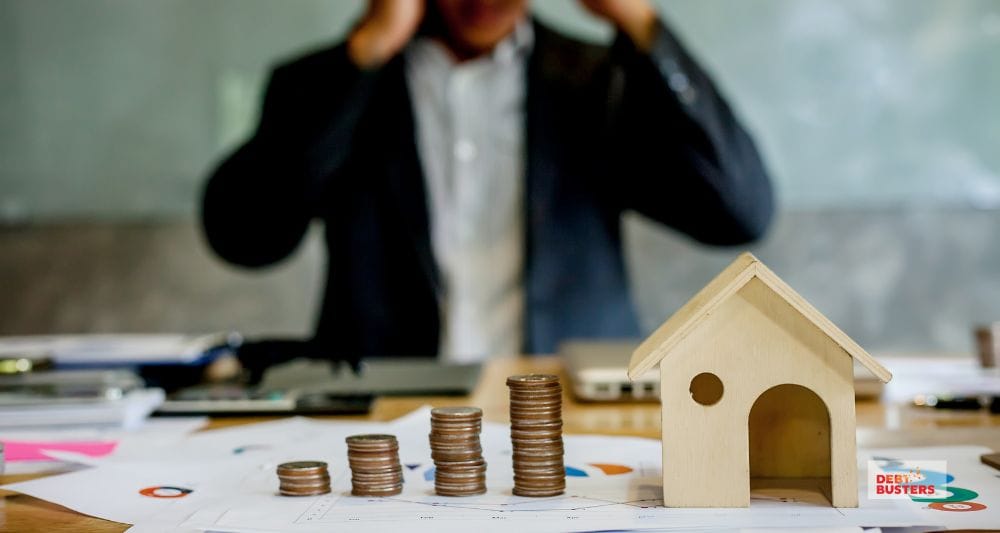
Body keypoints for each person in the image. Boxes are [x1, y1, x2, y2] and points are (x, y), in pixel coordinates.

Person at [202, 0, 774, 368]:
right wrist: (365, 52)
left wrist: (641, 24)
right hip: (378, 412)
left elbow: (739, 211)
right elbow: (244, 236)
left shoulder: (601, 80)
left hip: (568, 408)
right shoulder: (329, 81)